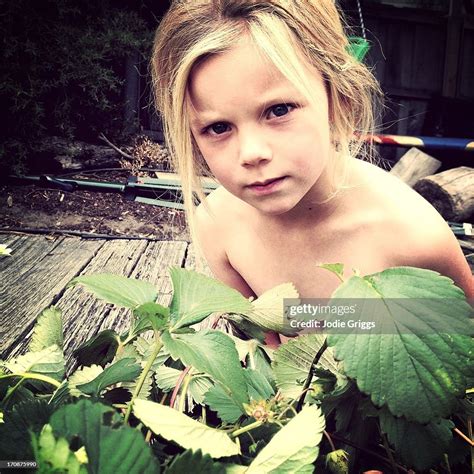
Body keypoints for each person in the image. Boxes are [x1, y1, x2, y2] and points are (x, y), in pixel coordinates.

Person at [152, 0, 473, 344]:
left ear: (339, 98)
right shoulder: (216, 228)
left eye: (278, 110)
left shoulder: (415, 236)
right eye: (217, 128)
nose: (252, 153)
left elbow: (464, 342)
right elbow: (268, 352)